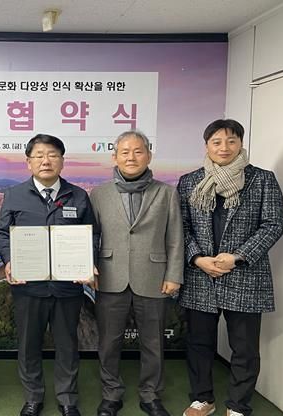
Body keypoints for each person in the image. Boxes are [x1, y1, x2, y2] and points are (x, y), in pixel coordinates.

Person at [177, 119, 283, 416]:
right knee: (199, 343)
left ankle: (238, 404)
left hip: (245, 274)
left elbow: (274, 224)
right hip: (200, 275)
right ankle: (202, 399)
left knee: (245, 347)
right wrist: (197, 258)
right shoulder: (189, 181)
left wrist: (237, 256)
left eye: (231, 140)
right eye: (217, 141)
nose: (224, 147)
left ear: (241, 144)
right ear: (207, 146)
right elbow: (180, 227)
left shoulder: (262, 179)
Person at [0, 134, 97, 416]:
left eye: (52, 155)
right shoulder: (14, 195)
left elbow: (92, 235)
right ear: (28, 162)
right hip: (28, 286)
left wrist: (88, 262)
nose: (46, 161)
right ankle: (33, 397)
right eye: (39, 155)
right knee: (28, 345)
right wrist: (8, 260)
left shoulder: (78, 195)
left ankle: (67, 399)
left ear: (62, 161)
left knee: (67, 344)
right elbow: (4, 234)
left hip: (68, 286)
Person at [89, 130, 183, 416]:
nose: (131, 157)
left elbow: (175, 238)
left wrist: (174, 275)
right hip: (109, 276)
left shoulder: (166, 193)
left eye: (138, 151)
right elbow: (91, 236)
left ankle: (150, 394)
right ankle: (111, 394)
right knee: (108, 342)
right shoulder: (99, 193)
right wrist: (88, 267)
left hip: (153, 276)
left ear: (149, 155)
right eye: (125, 152)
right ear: (114, 156)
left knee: (153, 341)